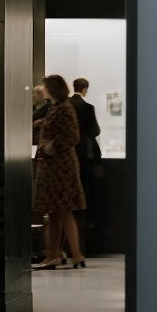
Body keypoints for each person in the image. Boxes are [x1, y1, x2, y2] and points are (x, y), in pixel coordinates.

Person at [32, 74, 86, 270]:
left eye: (46, 87)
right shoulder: (58, 107)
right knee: (57, 212)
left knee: (62, 210)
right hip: (56, 167)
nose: (43, 89)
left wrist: (51, 147)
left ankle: (74, 254)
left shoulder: (63, 108)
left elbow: (73, 136)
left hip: (59, 168)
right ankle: (57, 254)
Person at [70, 77, 102, 226]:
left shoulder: (66, 105)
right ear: (85, 89)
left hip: (68, 152)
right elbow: (95, 131)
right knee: (84, 185)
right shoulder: (88, 107)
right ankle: (85, 219)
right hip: (83, 153)